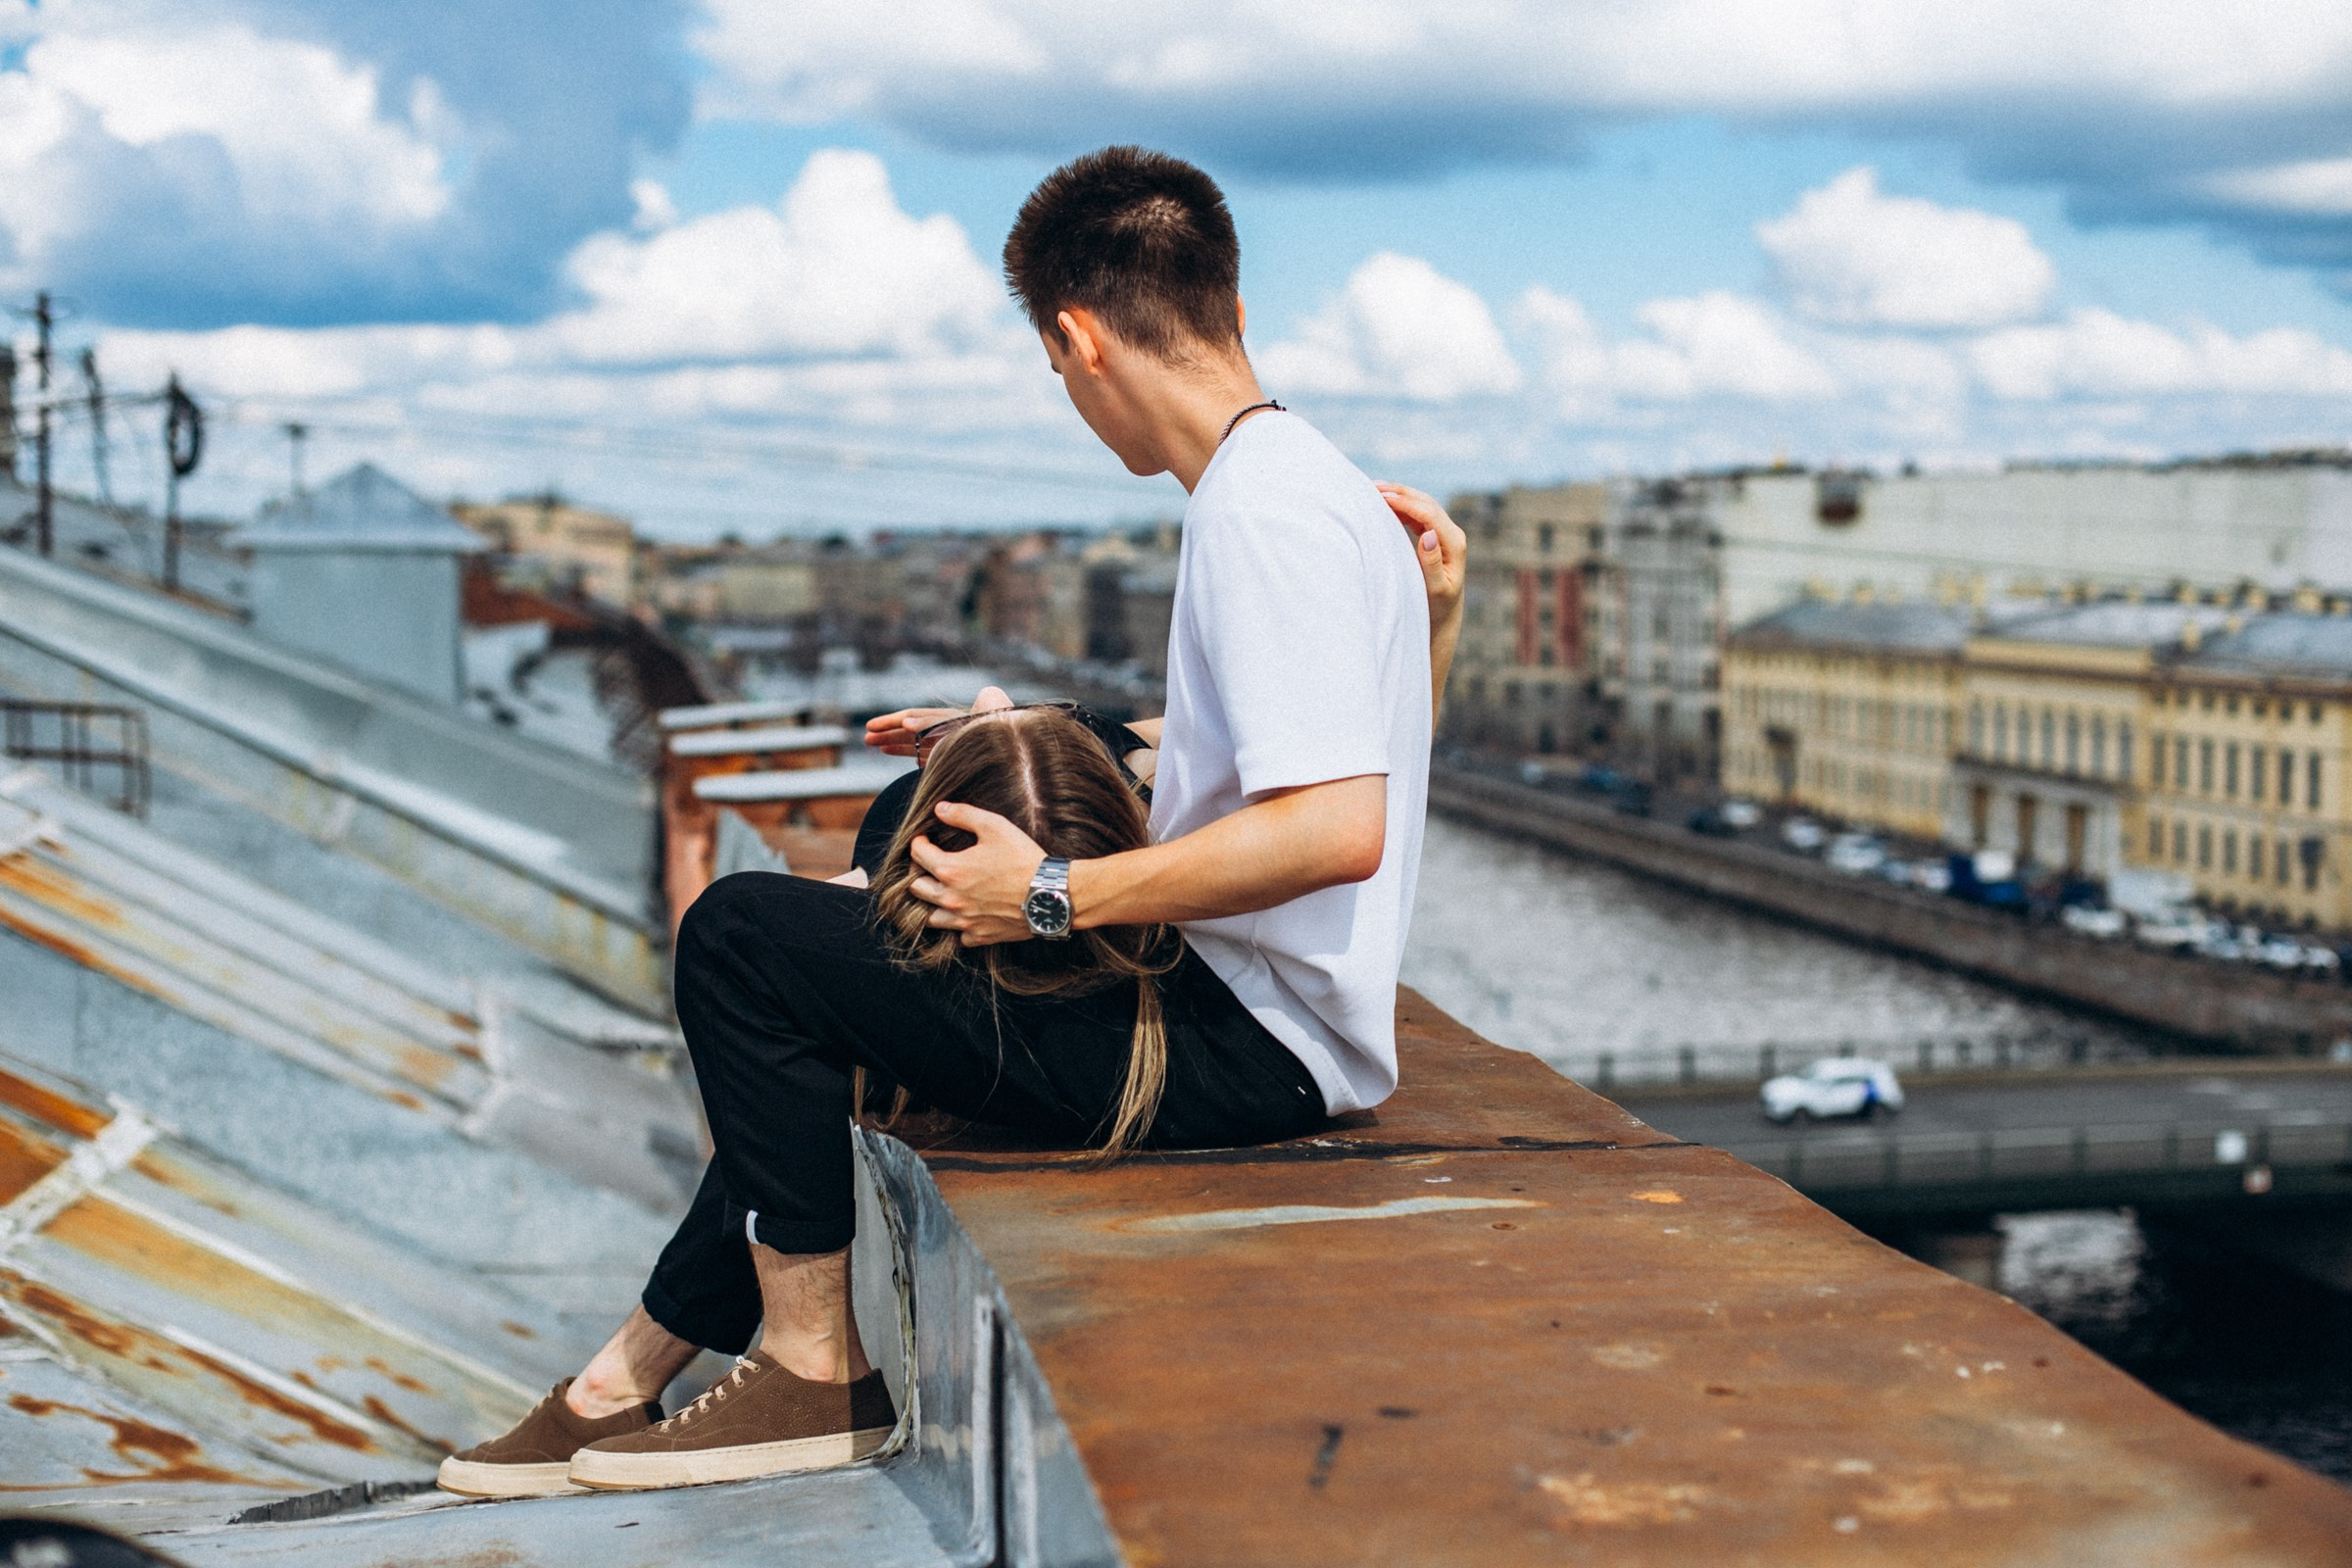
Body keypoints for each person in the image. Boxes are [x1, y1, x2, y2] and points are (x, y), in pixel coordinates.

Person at [436, 144, 1467, 1498]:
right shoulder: (1307, 482)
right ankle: (621, 1378)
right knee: (891, 851)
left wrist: (1047, 897)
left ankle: (811, 1377)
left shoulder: (1254, 517)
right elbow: (1308, 760)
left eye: (1054, 375)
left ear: (1078, 338)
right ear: (1227, 308)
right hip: (1267, 1023)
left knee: (747, 939)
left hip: (1250, 1052)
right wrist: (1008, 740)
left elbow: (1337, 830)